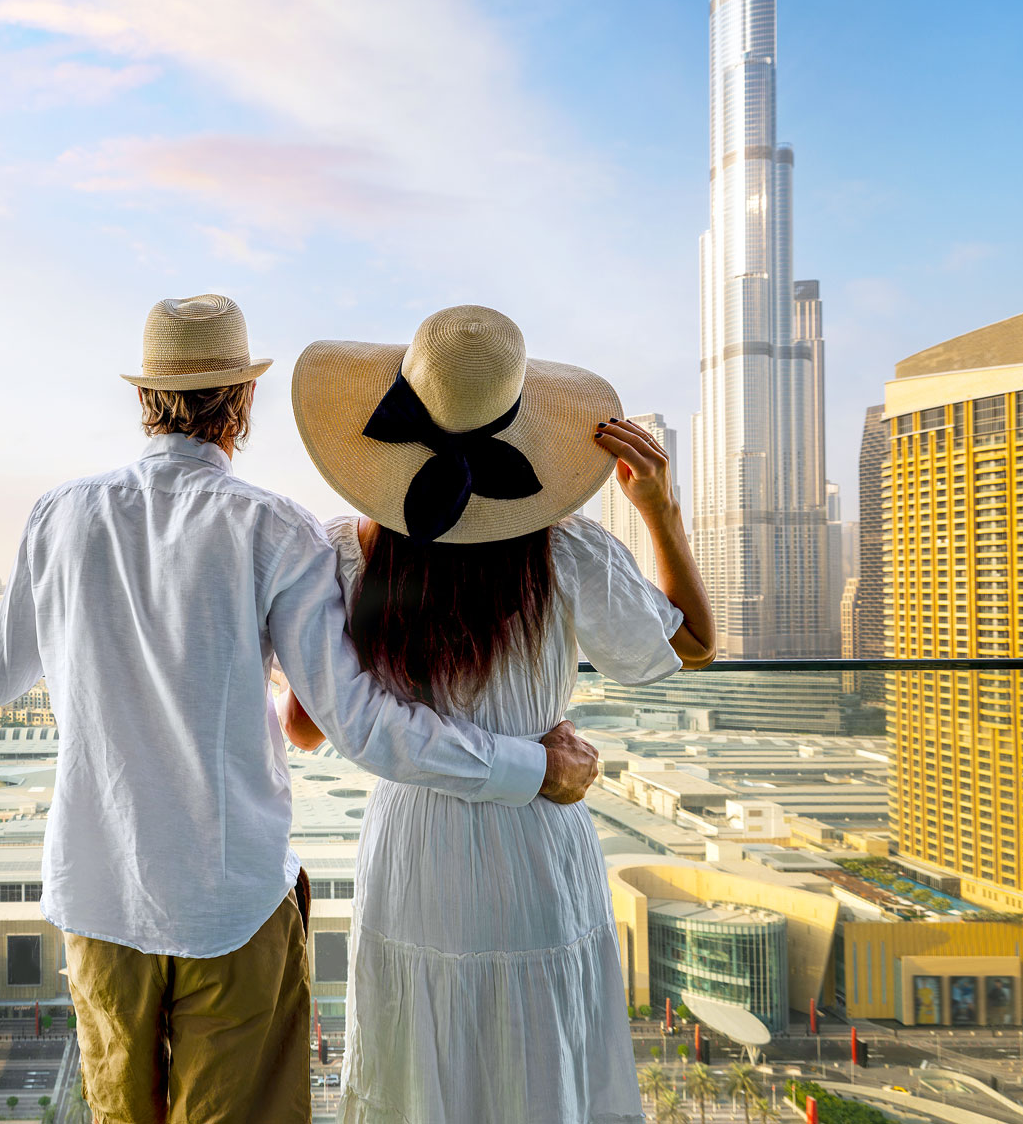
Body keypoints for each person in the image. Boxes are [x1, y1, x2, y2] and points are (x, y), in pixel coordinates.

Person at [0, 294, 602, 1124]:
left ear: (143, 396)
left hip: (99, 898)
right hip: (232, 901)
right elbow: (358, 724)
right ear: (244, 399)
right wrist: (532, 767)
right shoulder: (274, 529)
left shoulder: (60, 516)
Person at [280, 304, 716, 1124]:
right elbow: (692, 644)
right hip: (538, 841)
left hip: (416, 850)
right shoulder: (566, 547)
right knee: (540, 1063)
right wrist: (661, 510)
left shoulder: (346, 552)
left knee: (419, 1066)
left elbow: (305, 728)